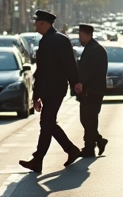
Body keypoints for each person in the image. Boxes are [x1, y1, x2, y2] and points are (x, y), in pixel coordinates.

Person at [18, 10, 83, 173]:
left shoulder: (59, 40)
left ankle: (39, 160)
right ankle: (69, 150)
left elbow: (69, 64)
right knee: (47, 123)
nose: (35, 25)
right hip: (48, 89)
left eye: (37, 22)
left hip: (56, 89)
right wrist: (36, 96)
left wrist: (76, 82)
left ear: (44, 23)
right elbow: (41, 71)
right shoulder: (46, 41)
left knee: (46, 122)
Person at [76, 24, 109, 158]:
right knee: (86, 119)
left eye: (81, 35)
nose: (80, 38)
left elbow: (93, 72)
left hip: (93, 91)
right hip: (88, 91)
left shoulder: (96, 50)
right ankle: (98, 141)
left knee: (89, 119)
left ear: (88, 35)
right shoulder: (90, 48)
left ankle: (90, 147)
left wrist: (83, 84)